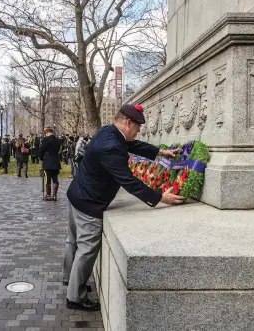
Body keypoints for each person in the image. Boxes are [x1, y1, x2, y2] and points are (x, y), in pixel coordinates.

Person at [63, 104, 185, 312]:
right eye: (138, 127)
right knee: (87, 249)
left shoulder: (108, 132)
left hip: (76, 195)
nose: (139, 131)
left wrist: (161, 152)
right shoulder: (111, 147)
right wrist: (158, 197)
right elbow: (128, 181)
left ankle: (69, 278)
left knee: (72, 241)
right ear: (128, 123)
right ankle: (75, 296)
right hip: (89, 203)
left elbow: (132, 145)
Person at [39, 128, 61, 201]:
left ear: (47, 133)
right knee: (55, 178)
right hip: (55, 161)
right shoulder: (57, 140)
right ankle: (54, 195)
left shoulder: (45, 140)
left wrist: (41, 157)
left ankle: (48, 195)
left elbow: (41, 150)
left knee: (47, 179)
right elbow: (58, 149)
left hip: (47, 161)